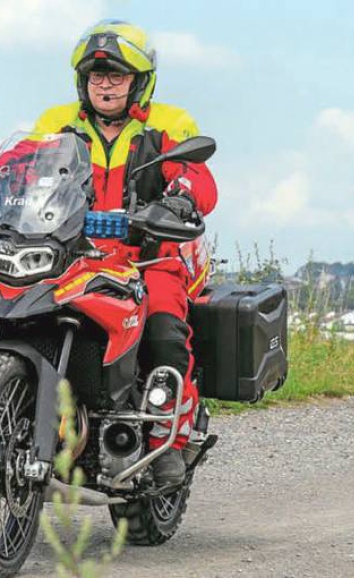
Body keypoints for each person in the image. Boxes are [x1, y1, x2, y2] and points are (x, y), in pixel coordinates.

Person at [32, 19, 218, 487]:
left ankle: (167, 440)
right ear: (83, 81)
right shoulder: (55, 124)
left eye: (116, 75)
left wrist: (180, 196)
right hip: (70, 255)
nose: (105, 84)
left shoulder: (169, 124)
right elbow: (18, 170)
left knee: (161, 323)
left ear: (138, 81)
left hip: (148, 255)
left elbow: (197, 177)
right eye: (97, 76)